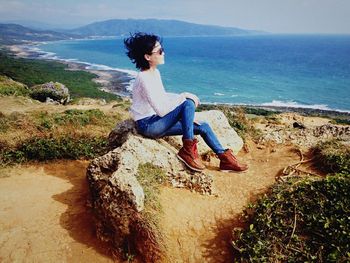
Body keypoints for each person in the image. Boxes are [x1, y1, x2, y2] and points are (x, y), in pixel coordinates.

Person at [124, 32, 248, 172]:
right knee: (187, 101)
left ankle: (225, 159)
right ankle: (188, 151)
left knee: (203, 126)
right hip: (148, 125)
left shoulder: (155, 73)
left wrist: (187, 117)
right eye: (159, 51)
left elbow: (162, 97)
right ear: (147, 57)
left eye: (162, 49)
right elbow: (162, 110)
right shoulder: (143, 78)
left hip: (158, 122)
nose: (163, 53)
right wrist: (183, 96)